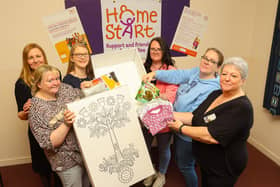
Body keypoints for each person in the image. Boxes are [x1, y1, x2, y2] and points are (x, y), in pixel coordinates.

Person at [143, 48, 224, 187]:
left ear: (217, 67)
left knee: (185, 165)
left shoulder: (213, 89)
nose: (206, 62)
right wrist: (155, 74)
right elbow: (177, 75)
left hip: (187, 132)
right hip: (175, 122)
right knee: (178, 157)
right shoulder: (196, 72)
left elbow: (194, 116)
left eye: (212, 61)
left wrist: (164, 114)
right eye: (205, 58)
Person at [168, 57, 254, 187]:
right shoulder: (216, 93)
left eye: (234, 76)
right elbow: (195, 117)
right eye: (224, 74)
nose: (227, 78)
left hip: (224, 168)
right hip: (207, 162)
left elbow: (211, 136)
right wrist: (169, 114)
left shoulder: (241, 107)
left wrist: (180, 128)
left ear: (243, 80)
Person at [28, 64, 91, 187]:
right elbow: (49, 143)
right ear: (39, 84)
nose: (56, 83)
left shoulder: (64, 89)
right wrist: (66, 124)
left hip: (84, 151)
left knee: (87, 184)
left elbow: (81, 97)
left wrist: (86, 89)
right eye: (50, 80)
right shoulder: (36, 110)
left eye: (57, 79)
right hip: (65, 160)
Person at [14, 43, 62, 187]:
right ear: (26, 61)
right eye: (31, 57)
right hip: (38, 133)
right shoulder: (22, 84)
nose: (35, 60)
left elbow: (63, 98)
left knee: (61, 170)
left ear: (44, 57)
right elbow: (21, 115)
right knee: (45, 171)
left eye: (38, 56)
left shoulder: (55, 74)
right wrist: (26, 110)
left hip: (59, 129)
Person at [142, 37, 178, 187]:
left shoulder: (171, 70)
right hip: (144, 116)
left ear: (164, 51)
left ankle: (162, 174)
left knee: (164, 148)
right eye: (152, 49)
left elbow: (169, 97)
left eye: (158, 49)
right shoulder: (143, 67)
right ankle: (150, 170)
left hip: (163, 117)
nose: (155, 52)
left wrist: (151, 92)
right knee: (145, 147)